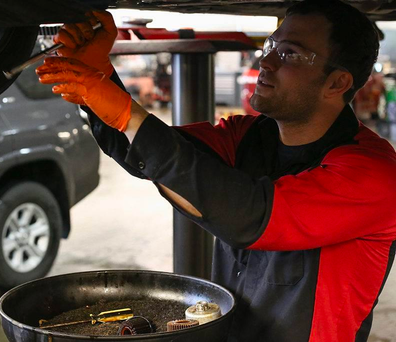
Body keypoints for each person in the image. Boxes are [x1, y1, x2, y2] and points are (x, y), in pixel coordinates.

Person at [36, 0, 396, 340]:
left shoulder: (373, 176)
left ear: (338, 83)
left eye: (290, 53)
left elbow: (249, 215)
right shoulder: (247, 135)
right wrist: (100, 75)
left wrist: (127, 114)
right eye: (271, 45)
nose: (266, 61)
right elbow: (149, 156)